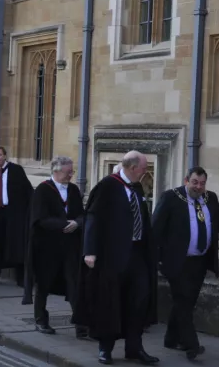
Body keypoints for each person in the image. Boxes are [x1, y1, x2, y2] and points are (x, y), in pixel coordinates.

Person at [73, 151, 159, 365]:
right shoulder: (108, 186)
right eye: (143, 168)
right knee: (111, 303)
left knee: (139, 301)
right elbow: (93, 218)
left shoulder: (136, 188)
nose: (145, 172)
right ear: (131, 168)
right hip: (112, 256)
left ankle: (134, 347)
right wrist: (89, 251)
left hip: (137, 254)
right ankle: (105, 348)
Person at [153, 166, 219, 360]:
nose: (198, 187)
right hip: (176, 261)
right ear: (186, 180)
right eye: (195, 182)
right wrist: (153, 257)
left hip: (200, 261)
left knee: (187, 301)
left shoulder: (211, 198)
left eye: (202, 183)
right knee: (183, 301)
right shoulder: (171, 197)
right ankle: (191, 344)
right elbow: (156, 227)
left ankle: (171, 338)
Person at [24, 156, 87, 338]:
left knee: (74, 283)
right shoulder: (43, 190)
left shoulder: (74, 190)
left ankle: (80, 324)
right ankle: (41, 320)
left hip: (70, 247)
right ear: (57, 171)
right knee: (43, 284)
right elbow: (39, 219)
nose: (71, 175)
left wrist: (77, 223)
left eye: (72, 172)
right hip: (47, 247)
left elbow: (82, 214)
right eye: (69, 172)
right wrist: (63, 224)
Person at [0, 146, 33, 286]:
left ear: (5, 156)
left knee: (16, 244)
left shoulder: (16, 170)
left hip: (13, 213)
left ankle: (20, 278)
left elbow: (27, 190)